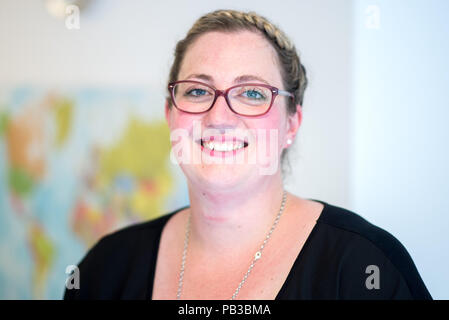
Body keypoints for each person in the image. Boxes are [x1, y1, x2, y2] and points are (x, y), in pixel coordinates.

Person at [64, 9, 432, 300]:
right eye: (196, 91)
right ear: (170, 114)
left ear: (291, 123)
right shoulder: (105, 269)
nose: (219, 117)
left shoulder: (366, 267)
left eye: (252, 93)